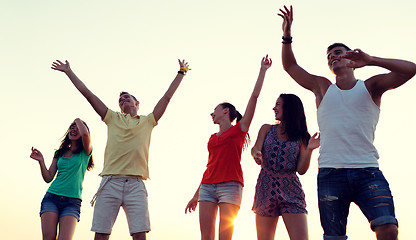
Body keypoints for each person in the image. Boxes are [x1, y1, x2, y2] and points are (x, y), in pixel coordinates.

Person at [278, 5, 416, 240]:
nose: (333, 56)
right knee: (334, 237)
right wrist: (287, 36)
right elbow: (291, 67)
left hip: (368, 172)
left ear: (351, 56)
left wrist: (371, 60)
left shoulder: (370, 87)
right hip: (331, 174)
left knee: (388, 229)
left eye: (338, 52)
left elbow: (410, 69)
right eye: (329, 56)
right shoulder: (322, 87)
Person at [51, 59, 190, 240]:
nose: (123, 99)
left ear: (136, 102)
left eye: (127, 97)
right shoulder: (112, 118)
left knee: (140, 234)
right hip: (110, 182)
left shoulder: (148, 121)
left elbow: (167, 97)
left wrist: (181, 72)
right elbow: (88, 94)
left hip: (136, 184)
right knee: (101, 235)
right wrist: (69, 71)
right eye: (120, 100)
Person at [184, 55, 272, 240]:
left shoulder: (239, 130)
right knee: (205, 237)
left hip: (231, 186)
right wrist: (195, 195)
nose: (211, 113)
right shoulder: (211, 138)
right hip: (207, 186)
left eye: (214, 109)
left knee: (225, 236)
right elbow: (210, 166)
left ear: (225, 111)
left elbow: (254, 97)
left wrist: (262, 71)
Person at [251, 94, 320, 240]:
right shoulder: (266, 129)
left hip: (291, 190)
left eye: (278, 104)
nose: (274, 108)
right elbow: (255, 148)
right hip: (265, 188)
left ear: (289, 108)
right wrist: (256, 153)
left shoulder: (302, 137)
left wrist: (309, 150)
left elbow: (301, 170)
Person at [30, 118, 94, 240]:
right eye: (71, 127)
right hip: (51, 198)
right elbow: (48, 177)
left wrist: (77, 119)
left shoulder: (85, 152)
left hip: (72, 202)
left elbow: (85, 134)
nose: (73, 129)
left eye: (77, 127)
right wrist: (41, 161)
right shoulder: (59, 153)